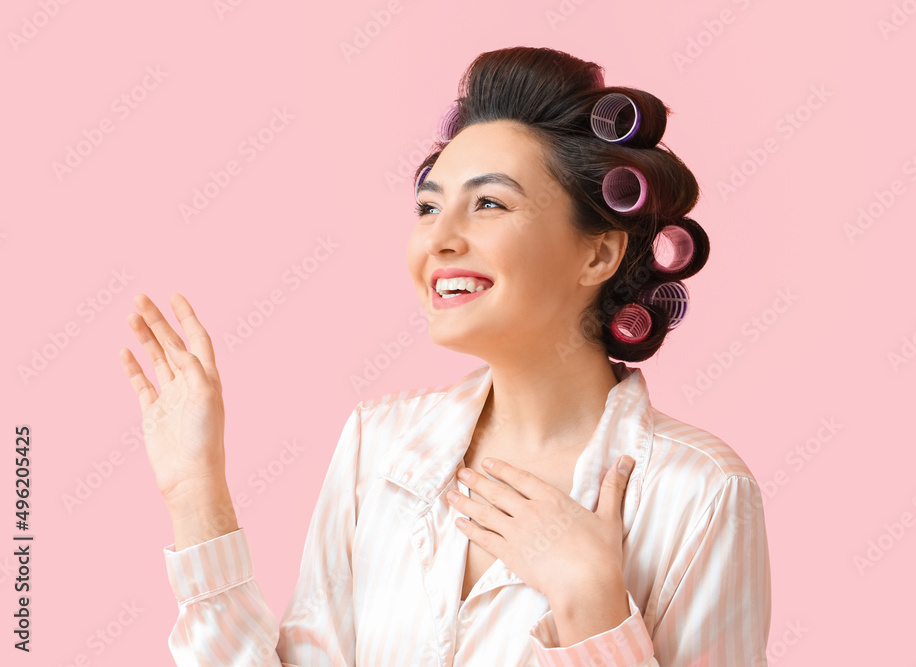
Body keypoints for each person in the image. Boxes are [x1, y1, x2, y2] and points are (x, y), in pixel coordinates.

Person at [120, 46, 771, 666]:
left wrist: (593, 609)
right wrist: (196, 494)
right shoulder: (380, 445)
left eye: (488, 203)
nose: (439, 238)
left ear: (597, 253)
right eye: (429, 206)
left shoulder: (700, 491)